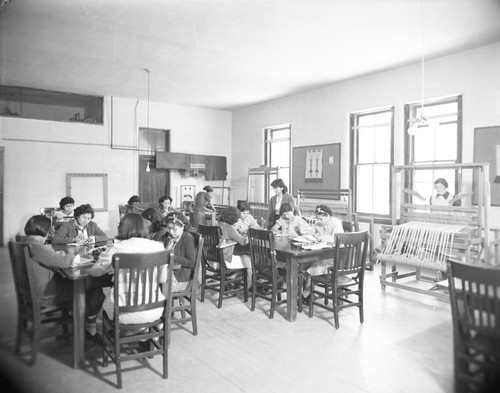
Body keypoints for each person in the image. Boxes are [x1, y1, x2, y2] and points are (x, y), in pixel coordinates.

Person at [23, 215, 106, 341]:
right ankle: (87, 327)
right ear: (43, 230)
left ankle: (80, 318)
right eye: (49, 229)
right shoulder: (36, 247)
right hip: (46, 294)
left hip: (36, 290)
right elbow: (65, 262)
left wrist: (65, 253)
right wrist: (72, 251)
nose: (51, 232)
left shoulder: (27, 243)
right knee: (94, 289)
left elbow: (51, 258)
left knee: (86, 286)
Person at [89, 213, 167, 325]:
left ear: (121, 228)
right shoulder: (158, 246)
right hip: (154, 310)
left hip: (123, 313)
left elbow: (95, 272)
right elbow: (163, 279)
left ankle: (107, 334)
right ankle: (142, 333)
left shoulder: (116, 248)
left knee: (104, 301)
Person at [302, 205, 344, 303]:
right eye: (317, 218)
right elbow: (309, 234)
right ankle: (308, 292)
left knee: (314, 267)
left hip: (335, 256)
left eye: (321, 219)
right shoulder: (318, 224)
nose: (319, 221)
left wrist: (320, 237)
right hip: (321, 255)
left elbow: (335, 238)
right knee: (304, 264)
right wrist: (305, 233)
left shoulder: (336, 223)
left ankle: (306, 294)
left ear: (328, 216)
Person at [218, 206, 252, 286]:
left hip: (217, 256)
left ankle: (234, 276)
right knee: (249, 256)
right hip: (226, 258)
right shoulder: (230, 228)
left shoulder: (220, 225)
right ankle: (249, 282)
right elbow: (243, 242)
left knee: (244, 253)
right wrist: (249, 237)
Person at [164, 213, 196, 293]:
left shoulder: (187, 239)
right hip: (169, 272)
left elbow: (191, 262)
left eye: (174, 229)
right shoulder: (168, 236)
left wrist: (171, 256)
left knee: (154, 285)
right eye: (168, 228)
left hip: (180, 278)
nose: (171, 231)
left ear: (183, 227)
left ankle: (161, 304)